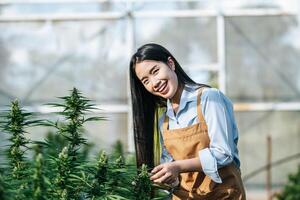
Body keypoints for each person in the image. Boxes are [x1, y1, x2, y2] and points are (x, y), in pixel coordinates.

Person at [129, 43, 246, 199]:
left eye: (155, 71)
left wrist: (178, 167)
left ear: (170, 64)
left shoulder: (209, 98)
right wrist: (163, 178)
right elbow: (174, 174)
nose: (154, 82)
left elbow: (223, 153)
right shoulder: (164, 120)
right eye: (146, 81)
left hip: (222, 194)